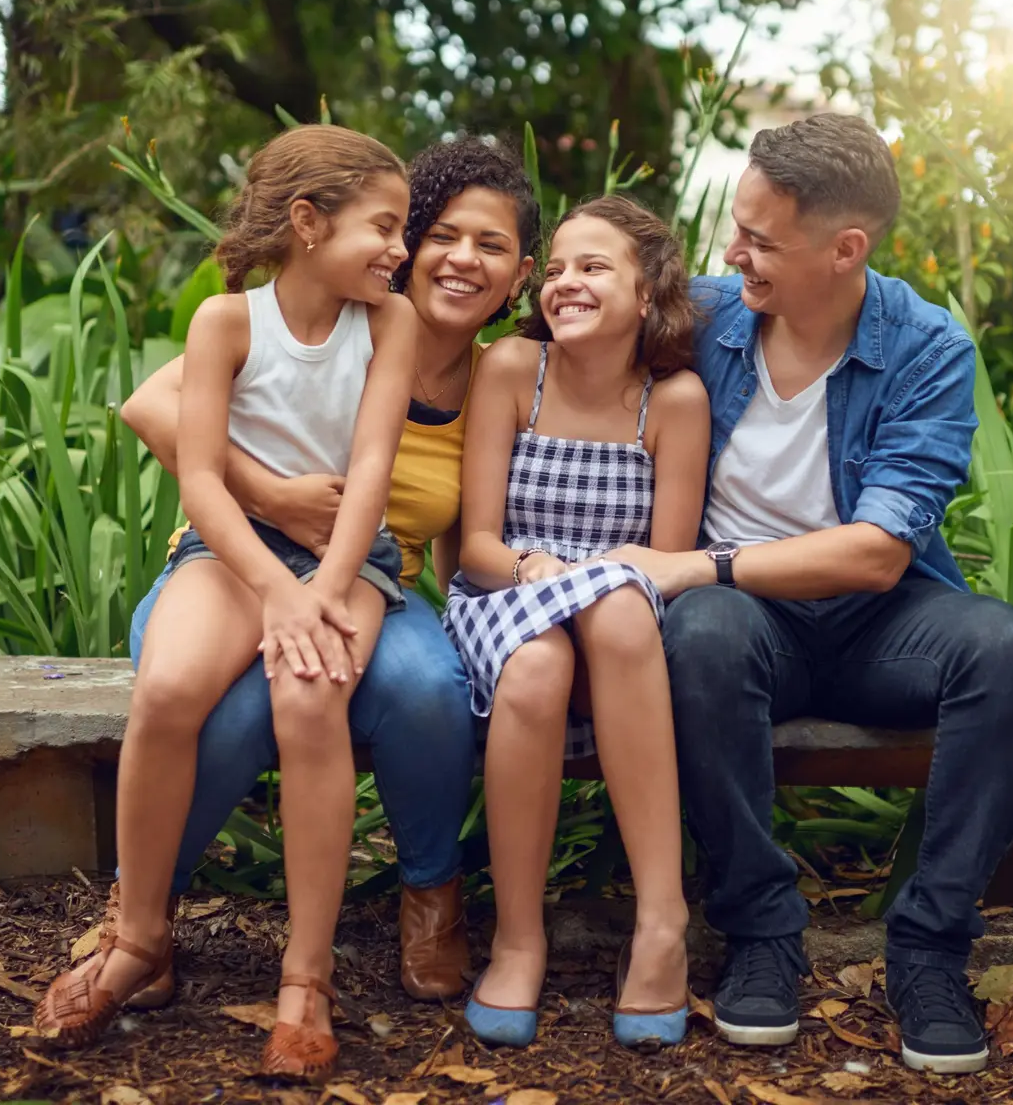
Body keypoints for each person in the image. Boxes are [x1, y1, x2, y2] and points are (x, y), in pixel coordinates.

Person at [600, 115, 1013, 1074]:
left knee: (1005, 648)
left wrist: (706, 564)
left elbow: (880, 552)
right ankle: (762, 932)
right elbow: (558, 335)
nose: (734, 252)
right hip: (745, 631)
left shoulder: (927, 346)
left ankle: (929, 949)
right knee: (704, 632)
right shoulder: (705, 317)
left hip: (879, 625)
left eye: (761, 240)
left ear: (846, 250)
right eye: (737, 227)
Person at [105, 137, 539, 1010]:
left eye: (490, 246)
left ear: (520, 274)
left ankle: (428, 897)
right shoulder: (310, 309)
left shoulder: (494, 378)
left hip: (367, 575)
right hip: (236, 556)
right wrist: (272, 495)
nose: (460, 260)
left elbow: (458, 524)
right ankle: (143, 913)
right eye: (439, 236)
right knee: (223, 708)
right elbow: (151, 404)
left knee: (427, 689)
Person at [36, 125, 419, 1080]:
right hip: (230, 548)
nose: (400, 248)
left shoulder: (391, 324)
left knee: (309, 696)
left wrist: (321, 590)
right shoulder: (226, 323)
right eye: (384, 226)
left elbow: (373, 466)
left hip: (345, 554)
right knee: (168, 690)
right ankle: (138, 936)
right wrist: (274, 589)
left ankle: (306, 979)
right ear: (308, 222)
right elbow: (202, 477)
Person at [445, 196, 711, 1049]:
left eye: (593, 267)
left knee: (622, 611)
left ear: (648, 292)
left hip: (621, 623)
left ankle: (661, 925)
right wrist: (534, 567)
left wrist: (595, 581)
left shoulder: (674, 400)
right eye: (555, 268)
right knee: (536, 666)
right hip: (506, 598)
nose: (565, 282)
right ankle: (518, 939)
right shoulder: (512, 369)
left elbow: (665, 563)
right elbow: (476, 548)